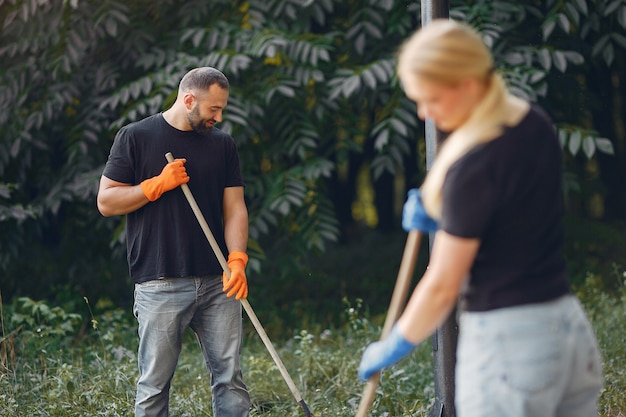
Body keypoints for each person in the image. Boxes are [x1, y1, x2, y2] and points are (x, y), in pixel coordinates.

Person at [357, 20, 603, 417]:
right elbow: (508, 216)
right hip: (567, 331)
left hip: (511, 350)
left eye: (431, 98)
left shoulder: (473, 169)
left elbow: (443, 285)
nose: (424, 112)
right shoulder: (533, 121)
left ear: (467, 85)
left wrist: (398, 342)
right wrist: (447, 210)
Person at [97, 67, 251, 417]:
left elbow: (235, 208)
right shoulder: (136, 137)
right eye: (214, 109)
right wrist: (156, 185)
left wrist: (238, 258)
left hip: (218, 282)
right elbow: (106, 202)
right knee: (154, 384)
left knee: (230, 378)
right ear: (188, 99)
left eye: (222, 108)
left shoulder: (223, 144)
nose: (219, 116)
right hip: (160, 281)